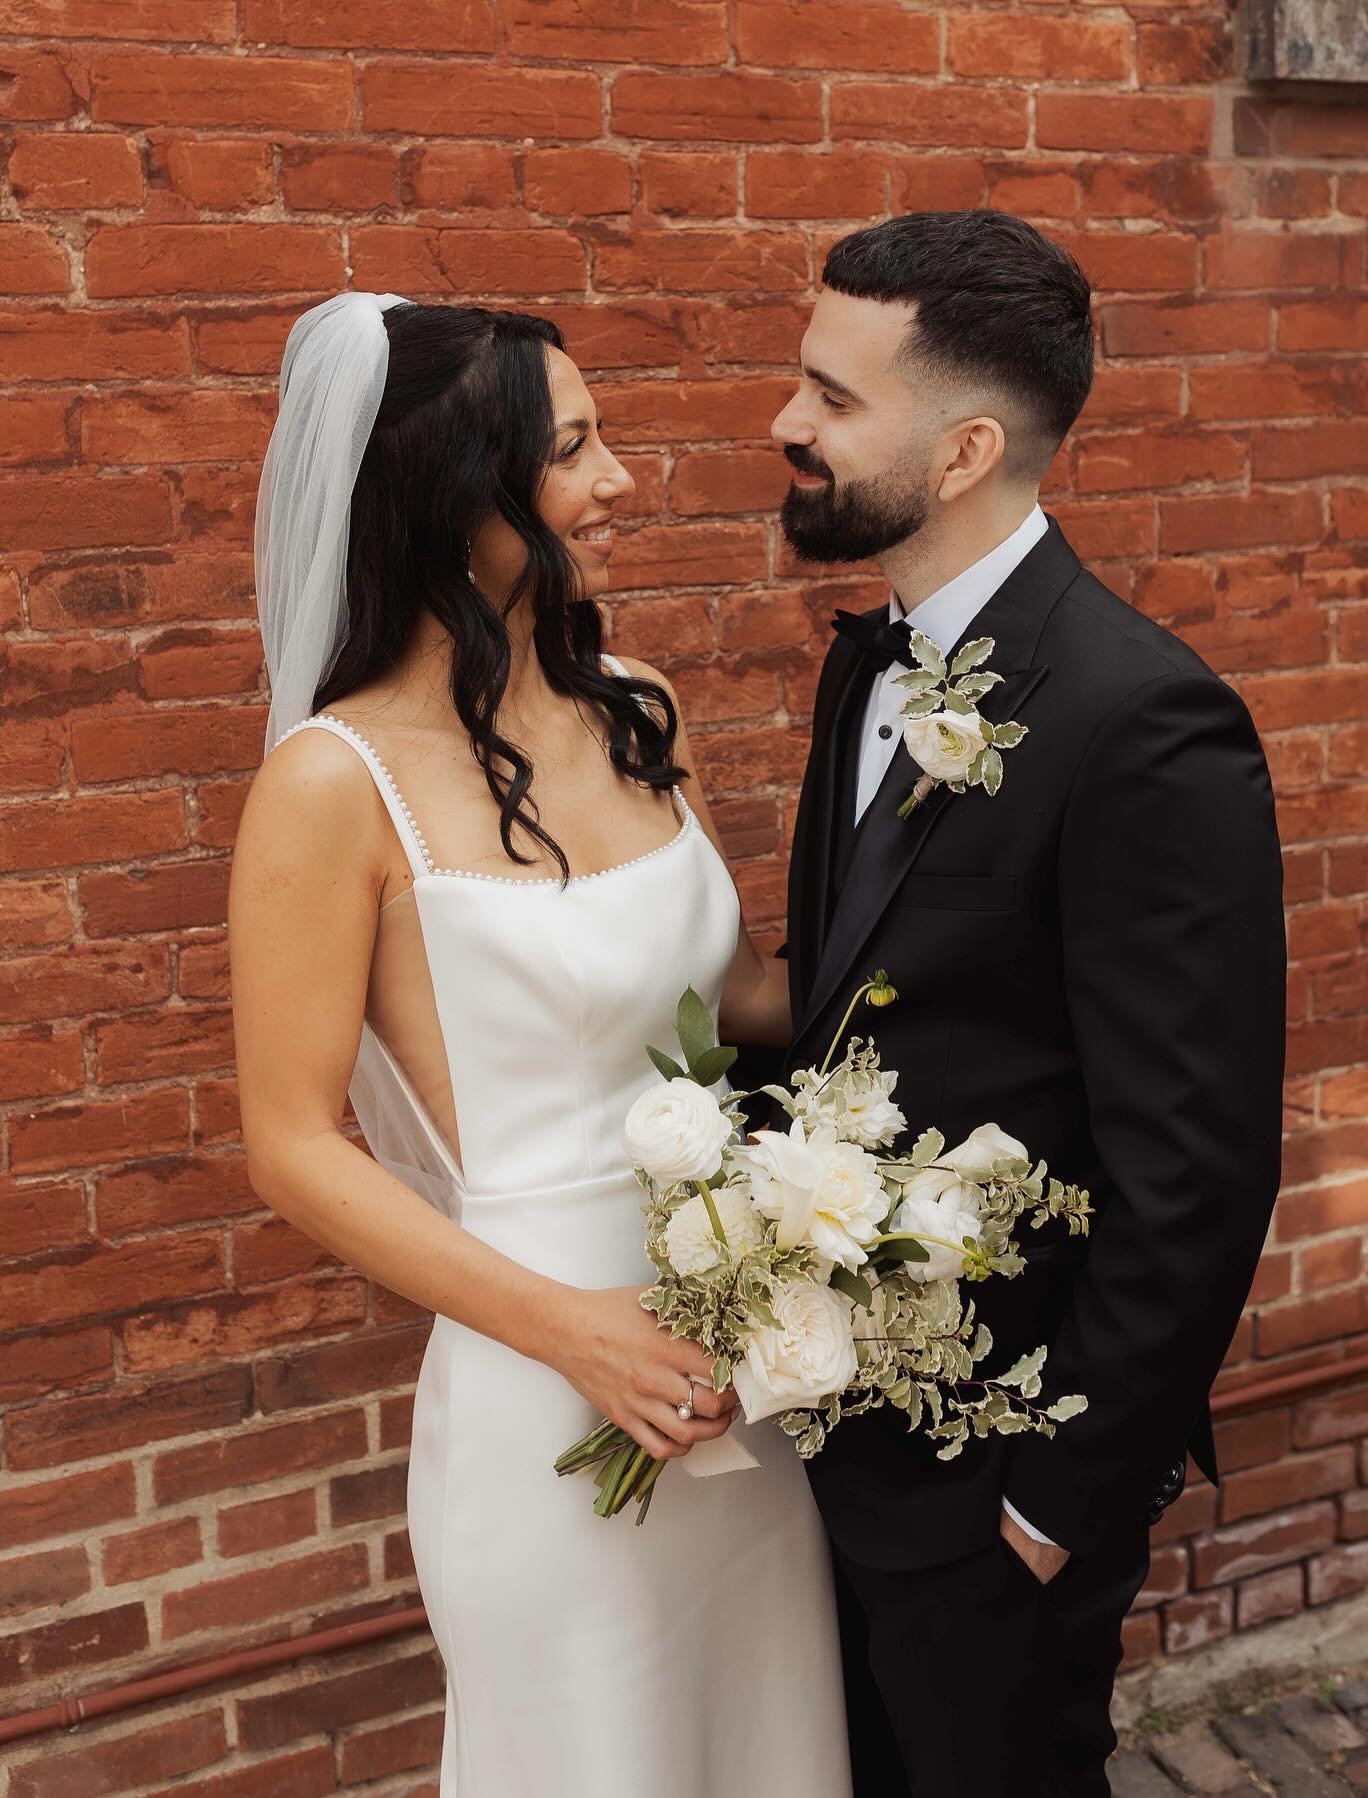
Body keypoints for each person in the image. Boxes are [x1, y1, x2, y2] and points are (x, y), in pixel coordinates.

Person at [229, 294, 850, 1798]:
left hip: (740, 1358)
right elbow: (293, 1145)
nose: (620, 479)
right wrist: (578, 1332)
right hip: (543, 1384)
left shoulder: (638, 708)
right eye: (573, 450)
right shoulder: (332, 784)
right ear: (458, 497)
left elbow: (744, 1002)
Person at [768, 210, 1287, 1796]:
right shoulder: (867, 664)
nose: (787, 422)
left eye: (832, 397)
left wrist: (1056, 1497)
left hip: (997, 1484)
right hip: (836, 1448)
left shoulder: (1147, 722)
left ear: (965, 451)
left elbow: (1195, 1172)